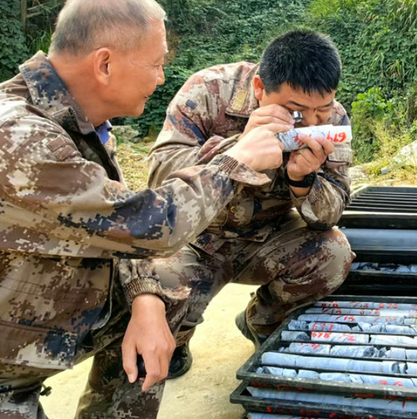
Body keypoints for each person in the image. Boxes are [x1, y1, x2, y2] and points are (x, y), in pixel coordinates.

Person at [0, 0, 287, 419]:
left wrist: (144, 300)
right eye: (157, 63)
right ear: (106, 63)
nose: (163, 77)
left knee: (168, 291)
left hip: (5, 334)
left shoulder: (67, 118)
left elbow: (111, 230)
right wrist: (237, 161)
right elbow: (147, 223)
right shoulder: (16, 138)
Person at [148, 29, 354, 375]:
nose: (312, 122)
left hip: (269, 236)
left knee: (332, 253)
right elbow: (160, 179)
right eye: (296, 111)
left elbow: (331, 212)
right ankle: (178, 338)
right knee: (153, 288)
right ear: (259, 89)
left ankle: (261, 322)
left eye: (322, 110)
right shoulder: (208, 91)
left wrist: (303, 182)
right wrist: (238, 149)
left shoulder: (332, 118)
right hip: (197, 238)